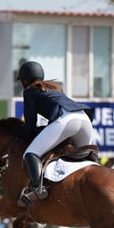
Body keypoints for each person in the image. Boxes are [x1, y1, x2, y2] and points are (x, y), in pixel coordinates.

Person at [17, 61, 94, 207]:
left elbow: (30, 124)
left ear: (25, 80)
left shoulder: (29, 91)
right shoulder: (54, 88)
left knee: (30, 154)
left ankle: (38, 189)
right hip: (85, 120)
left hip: (67, 121)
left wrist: (28, 134)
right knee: (85, 161)